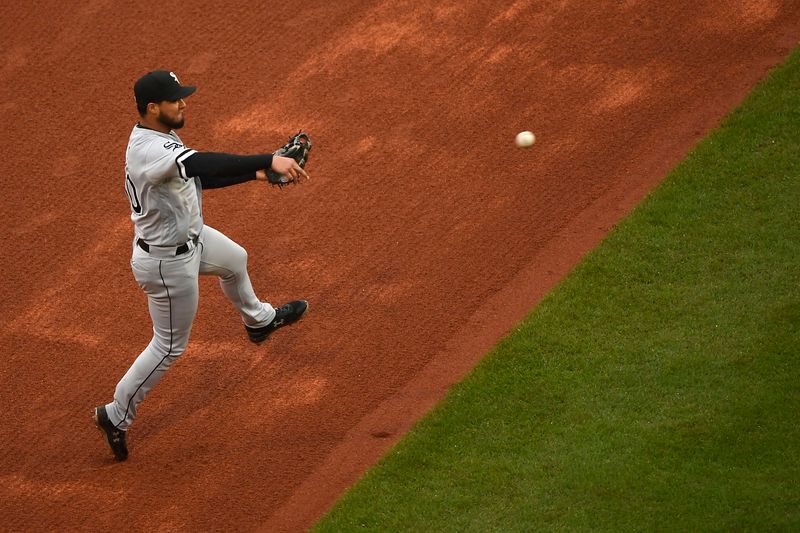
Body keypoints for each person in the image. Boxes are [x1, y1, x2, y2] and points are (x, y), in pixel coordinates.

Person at [93, 70, 309, 461]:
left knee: (235, 259)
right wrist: (270, 158)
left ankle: (259, 322)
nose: (184, 103)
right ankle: (116, 415)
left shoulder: (161, 136)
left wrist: (256, 174)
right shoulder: (147, 150)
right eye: (176, 99)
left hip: (192, 241)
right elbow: (204, 163)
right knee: (169, 346)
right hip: (165, 263)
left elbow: (195, 177)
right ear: (153, 108)